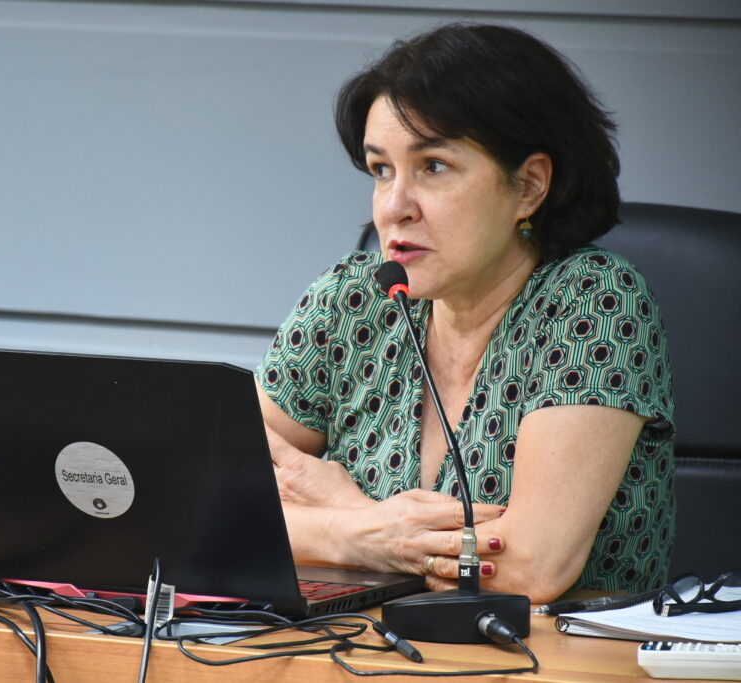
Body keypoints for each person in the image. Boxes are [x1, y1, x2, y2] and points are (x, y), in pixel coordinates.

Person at [256, 23, 674, 604]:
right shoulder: (354, 302)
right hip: (362, 659)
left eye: (433, 167)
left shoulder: (594, 301)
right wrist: (359, 532)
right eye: (382, 170)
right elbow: (198, 507)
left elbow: (527, 567)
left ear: (528, 187)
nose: (395, 207)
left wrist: (344, 511)